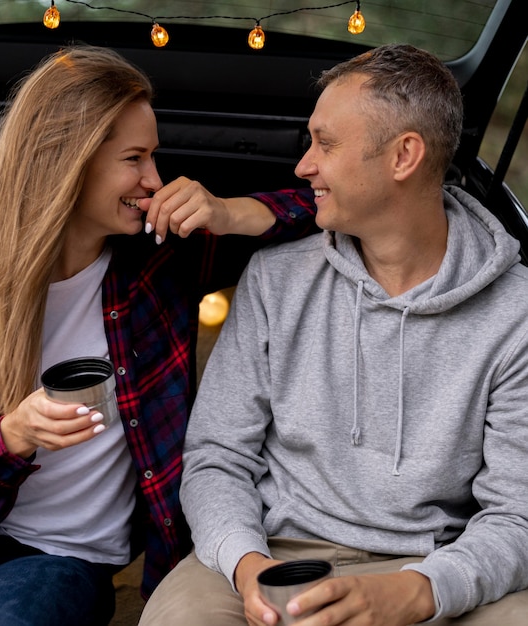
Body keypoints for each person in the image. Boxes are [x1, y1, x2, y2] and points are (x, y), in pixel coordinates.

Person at [0, 45, 317, 626]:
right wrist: (9, 439)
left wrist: (227, 212)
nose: (154, 178)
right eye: (135, 158)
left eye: (154, 157)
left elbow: (329, 206)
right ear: (67, 161)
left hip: (68, 556)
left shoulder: (162, 262)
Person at [138, 43, 528, 626]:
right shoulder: (275, 279)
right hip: (274, 553)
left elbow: (519, 515)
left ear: (404, 156)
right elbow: (217, 459)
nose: (303, 166)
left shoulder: (517, 311)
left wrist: (419, 591)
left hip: (435, 564)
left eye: (326, 143)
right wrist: (250, 568)